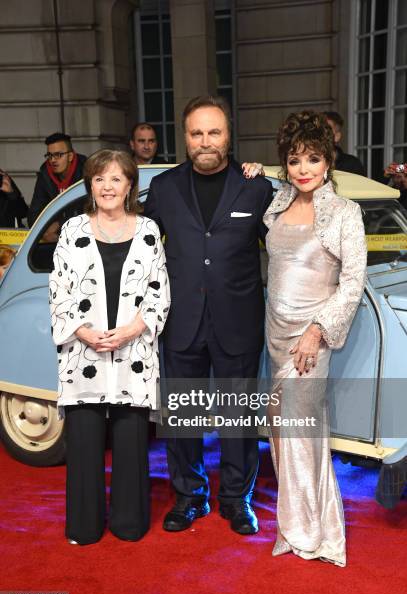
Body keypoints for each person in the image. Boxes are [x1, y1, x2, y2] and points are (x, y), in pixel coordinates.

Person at [145, 95, 274, 535]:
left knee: (239, 417)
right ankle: (189, 496)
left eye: (214, 132)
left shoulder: (256, 187)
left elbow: (290, 239)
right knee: (182, 417)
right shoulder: (163, 187)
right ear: (185, 138)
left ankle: (238, 500)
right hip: (180, 320)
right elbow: (138, 245)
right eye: (196, 133)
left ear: (228, 135)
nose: (205, 142)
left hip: (238, 319)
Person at [49, 149, 170, 545]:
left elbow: (159, 292)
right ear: (90, 185)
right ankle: (83, 527)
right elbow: (59, 290)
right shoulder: (72, 230)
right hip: (83, 353)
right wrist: (81, 331)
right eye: (99, 179)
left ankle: (128, 523)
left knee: (131, 441)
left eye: (116, 179)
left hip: (133, 353)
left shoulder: (149, 230)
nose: (107, 186)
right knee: (84, 442)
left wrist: (133, 329)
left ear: (130, 185)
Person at [263, 110, 367, 566]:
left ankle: (315, 532)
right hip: (275, 334)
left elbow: (353, 282)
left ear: (329, 162)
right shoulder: (278, 204)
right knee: (282, 434)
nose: (303, 169)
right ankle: (293, 524)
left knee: (303, 430)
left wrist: (318, 332)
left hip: (311, 340)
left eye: (313, 158)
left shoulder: (345, 212)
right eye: (294, 159)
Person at [29, 132, 86, 226]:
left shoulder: (87, 171)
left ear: (70, 156)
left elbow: (93, 213)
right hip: (53, 235)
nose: (53, 160)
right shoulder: (45, 174)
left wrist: (59, 225)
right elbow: (34, 214)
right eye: (50, 155)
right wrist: (47, 229)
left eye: (58, 155)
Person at [323, 111, 366, 175]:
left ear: (337, 136)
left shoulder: (352, 165)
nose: (320, 134)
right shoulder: (308, 163)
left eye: (327, 130)